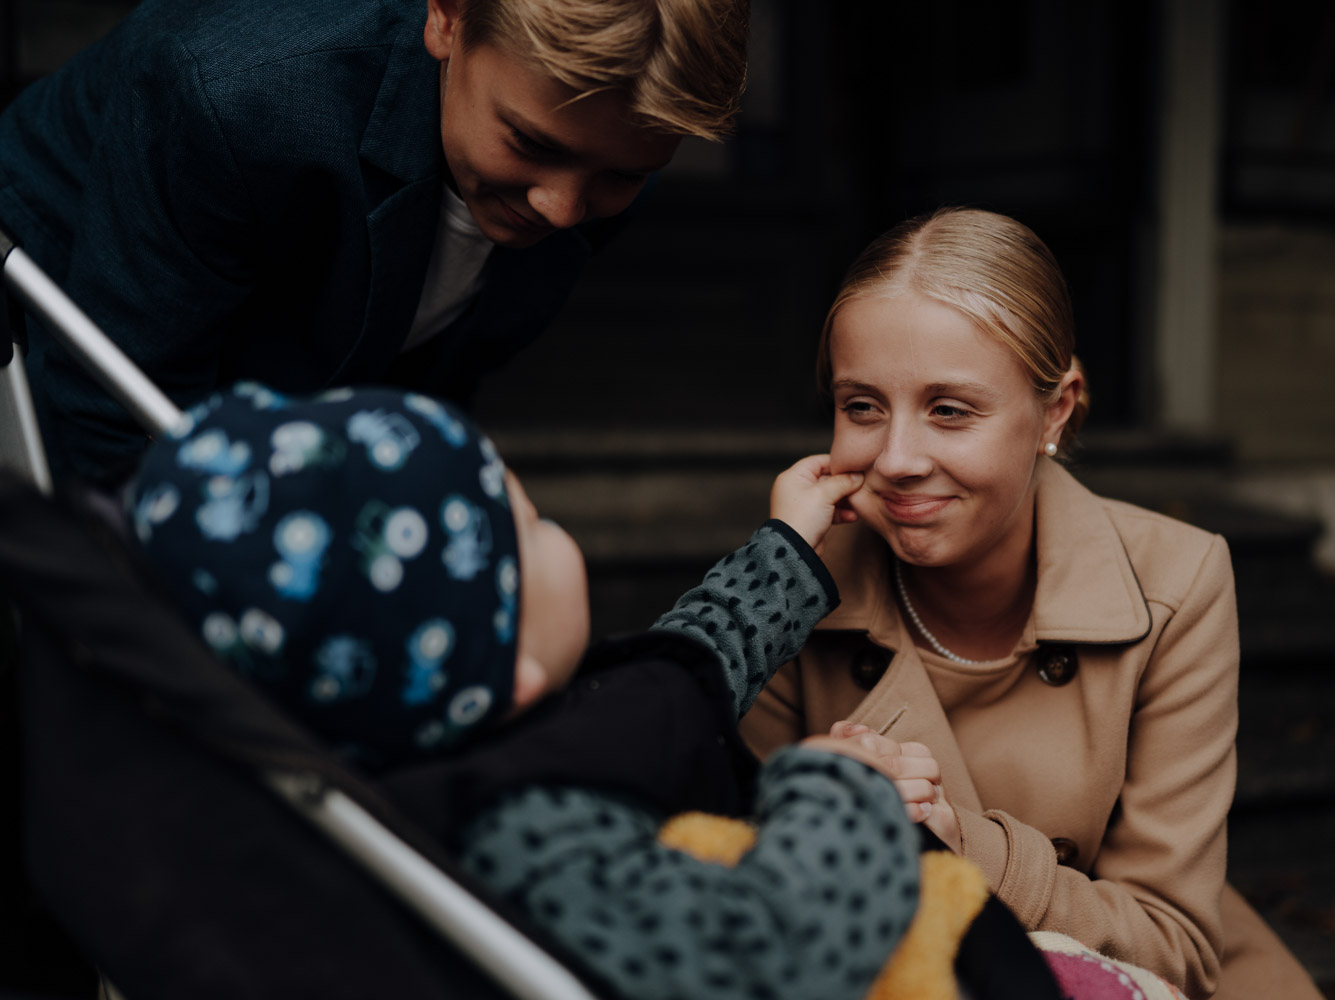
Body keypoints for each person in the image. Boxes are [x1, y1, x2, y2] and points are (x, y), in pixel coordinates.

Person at [124, 382, 943, 1000]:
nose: (558, 532)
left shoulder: (441, 729)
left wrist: (788, 547)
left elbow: (678, 679)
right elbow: (768, 954)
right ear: (509, 667)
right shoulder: (525, 840)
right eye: (531, 523)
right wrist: (833, 789)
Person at [740, 207, 1326, 1000]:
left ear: (1056, 409)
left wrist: (957, 850)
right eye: (862, 407)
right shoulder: (797, 583)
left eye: (950, 409)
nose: (898, 459)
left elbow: (1173, 941)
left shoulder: (1177, 586)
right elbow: (733, 883)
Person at [0, 0, 747, 483]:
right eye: (527, 141)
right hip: (50, 324)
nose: (562, 208)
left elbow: (428, 378)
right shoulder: (233, 97)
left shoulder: (598, 169)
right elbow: (113, 429)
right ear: (448, 19)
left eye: (621, 174)